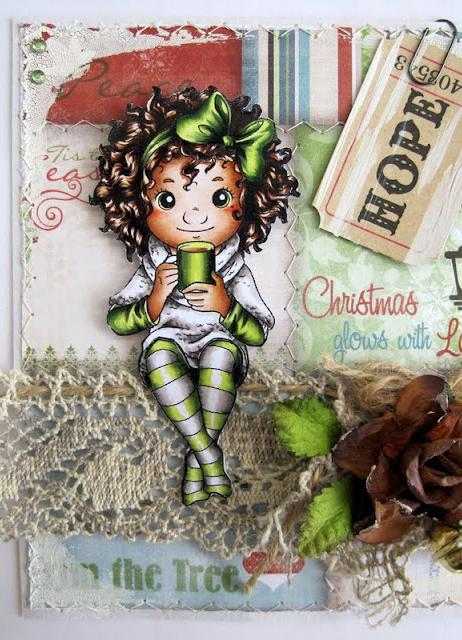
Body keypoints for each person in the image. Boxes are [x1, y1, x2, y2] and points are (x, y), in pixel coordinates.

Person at [92, 86, 298, 505]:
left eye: (220, 198)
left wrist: (225, 306)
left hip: (218, 339)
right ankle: (207, 455)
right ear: (138, 202)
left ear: (248, 201)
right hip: (168, 340)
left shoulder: (233, 267)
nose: (193, 214)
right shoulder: (154, 262)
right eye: (168, 199)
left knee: (219, 356)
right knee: (157, 356)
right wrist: (155, 298)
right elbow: (118, 321)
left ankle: (199, 458)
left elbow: (257, 333)